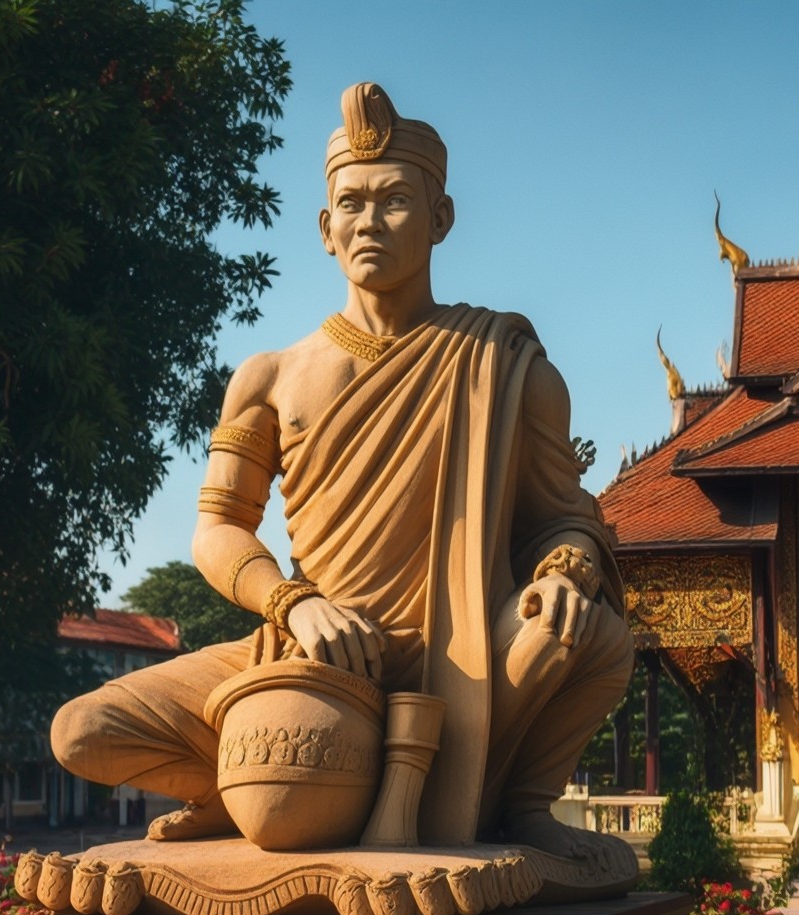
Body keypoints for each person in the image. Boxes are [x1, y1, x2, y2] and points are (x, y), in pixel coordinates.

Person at [53, 82, 633, 858]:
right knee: (82, 731)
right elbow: (219, 528)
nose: (370, 221)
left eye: (394, 200)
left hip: (458, 659)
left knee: (588, 633)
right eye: (352, 204)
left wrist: (565, 571)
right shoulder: (270, 376)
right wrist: (293, 605)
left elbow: (564, 516)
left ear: (440, 218)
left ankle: (519, 809)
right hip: (309, 653)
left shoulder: (506, 367)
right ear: (326, 229)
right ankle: (240, 788)